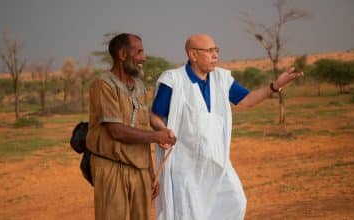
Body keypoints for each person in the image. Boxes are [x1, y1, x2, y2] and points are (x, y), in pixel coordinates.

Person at [150, 34, 303, 220]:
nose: (215, 55)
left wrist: (275, 85)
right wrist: (162, 131)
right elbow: (155, 117)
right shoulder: (173, 80)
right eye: (210, 51)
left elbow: (247, 100)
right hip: (185, 167)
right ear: (193, 54)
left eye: (217, 50)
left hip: (218, 162)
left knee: (235, 202)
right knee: (189, 214)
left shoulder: (222, 78)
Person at [86, 33, 176, 220]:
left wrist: (151, 173)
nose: (144, 57)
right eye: (139, 52)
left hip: (140, 168)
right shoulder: (103, 84)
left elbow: (142, 130)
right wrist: (157, 136)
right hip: (111, 166)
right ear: (122, 55)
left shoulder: (140, 87)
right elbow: (116, 131)